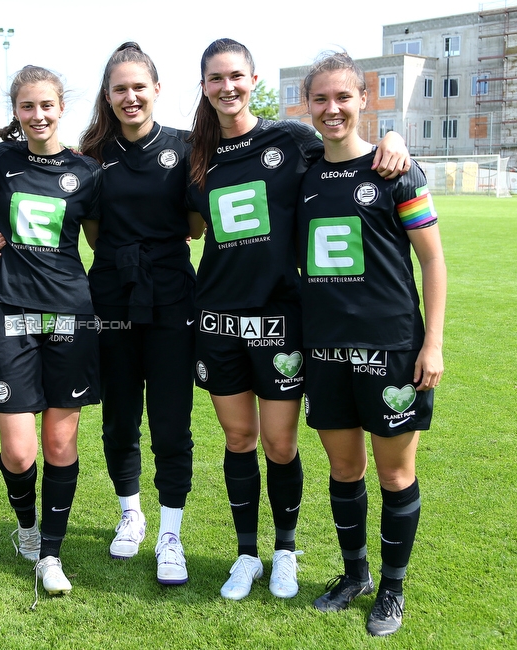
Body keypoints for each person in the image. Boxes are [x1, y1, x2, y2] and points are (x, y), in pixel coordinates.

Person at [186, 38, 410, 602]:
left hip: (283, 320)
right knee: (239, 439)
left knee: (280, 444)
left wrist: (393, 136)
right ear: (204, 87)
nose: (226, 87)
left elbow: (347, 146)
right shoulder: (197, 155)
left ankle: (284, 552)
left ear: (252, 78)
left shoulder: (292, 139)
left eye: (236, 76)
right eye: (215, 79)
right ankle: (245, 555)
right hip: (216, 320)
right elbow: (183, 224)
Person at [297, 51, 445, 637]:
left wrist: (432, 345)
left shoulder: (397, 171)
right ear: (307, 105)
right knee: (343, 468)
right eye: (320, 99)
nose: (332, 109)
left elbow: (432, 261)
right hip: (325, 349)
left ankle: (393, 587)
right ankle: (354, 573)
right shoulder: (303, 173)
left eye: (343, 97)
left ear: (363, 99)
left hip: (390, 348)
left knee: (395, 474)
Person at [78, 42, 197, 585]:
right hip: (111, 298)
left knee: (171, 421)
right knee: (120, 416)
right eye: (119, 88)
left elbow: (196, 225)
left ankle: (170, 534)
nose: (130, 97)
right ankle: (131, 515)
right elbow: (93, 232)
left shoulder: (187, 147)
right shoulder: (93, 153)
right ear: (109, 94)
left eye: (138, 87)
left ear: (156, 90)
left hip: (173, 296)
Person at [0, 65, 101, 600]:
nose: (38, 116)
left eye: (46, 105)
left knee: (59, 441)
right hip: (10, 311)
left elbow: (98, 240)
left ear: (61, 107)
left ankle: (51, 552)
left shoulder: (87, 172)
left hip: (70, 314)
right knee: (19, 450)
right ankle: (26, 525)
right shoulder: (0, 162)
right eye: (27, 107)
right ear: (15, 111)